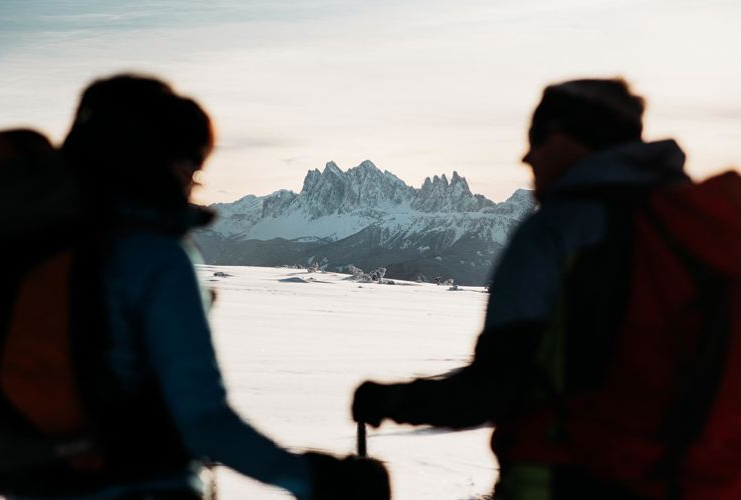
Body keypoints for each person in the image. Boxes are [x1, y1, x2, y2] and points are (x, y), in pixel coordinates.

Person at [351, 78, 723, 499]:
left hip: (572, 481)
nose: (527, 155)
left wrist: (391, 401)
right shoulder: (701, 230)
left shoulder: (556, 231)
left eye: (538, 137)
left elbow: (498, 385)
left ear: (571, 138)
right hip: (697, 481)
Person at [61, 74, 390, 500]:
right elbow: (200, 419)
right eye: (189, 167)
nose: (193, 183)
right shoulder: (153, 256)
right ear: (152, 160)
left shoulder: (32, 247)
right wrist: (319, 479)